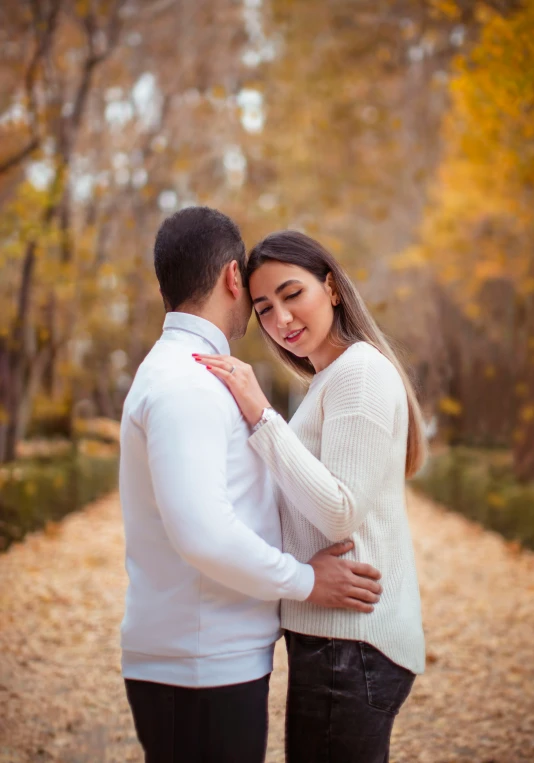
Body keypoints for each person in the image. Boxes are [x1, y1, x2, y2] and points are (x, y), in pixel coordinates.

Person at [119, 208, 383, 763]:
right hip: (198, 665)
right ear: (233, 278)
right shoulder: (184, 381)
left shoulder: (196, 372)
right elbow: (205, 534)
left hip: (208, 658)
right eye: (260, 299)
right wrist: (307, 581)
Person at [194, 229, 427, 763]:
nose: (281, 319)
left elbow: (340, 511)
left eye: (292, 294)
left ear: (333, 288)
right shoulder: (329, 379)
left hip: (352, 645)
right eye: (264, 307)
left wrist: (260, 414)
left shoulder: (360, 374)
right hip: (337, 639)